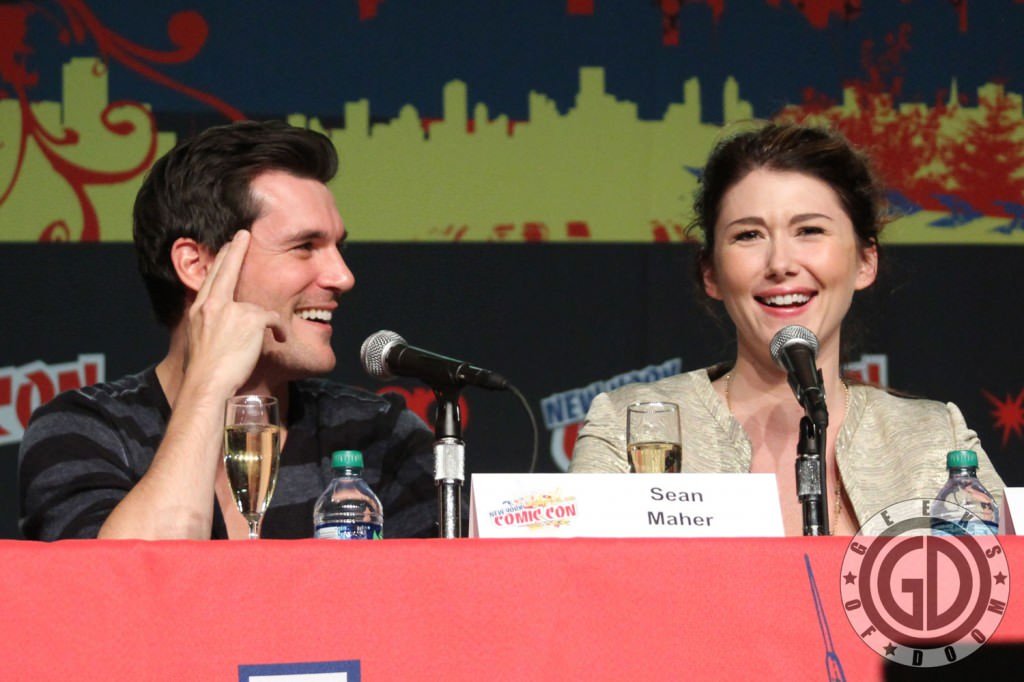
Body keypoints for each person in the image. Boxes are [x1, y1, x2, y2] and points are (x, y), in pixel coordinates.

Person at [569, 123, 1004, 535]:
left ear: (865, 261)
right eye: (748, 236)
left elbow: (1001, 597)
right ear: (711, 273)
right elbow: (583, 595)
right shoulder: (627, 426)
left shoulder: (934, 440)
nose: (780, 264)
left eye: (810, 230)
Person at [19, 120, 438, 540]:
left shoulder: (382, 437)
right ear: (197, 265)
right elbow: (126, 590)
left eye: (338, 248)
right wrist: (210, 387)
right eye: (304, 247)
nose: (343, 277)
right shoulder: (85, 431)